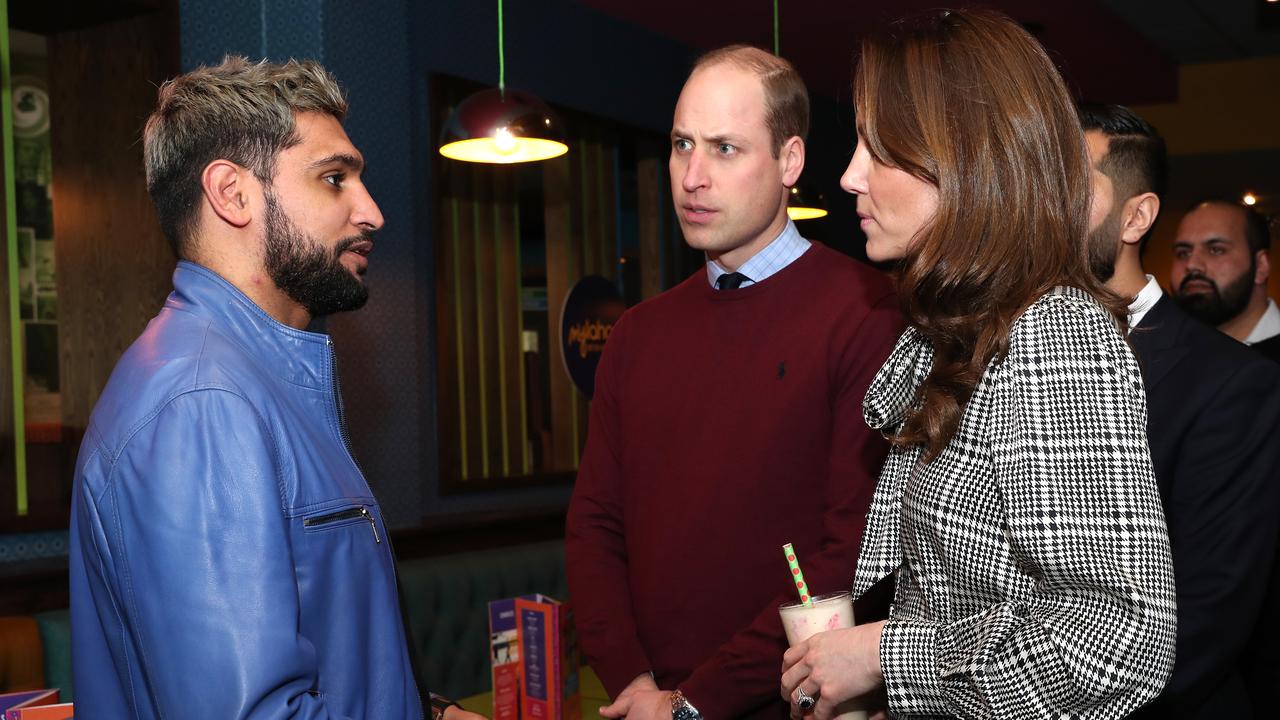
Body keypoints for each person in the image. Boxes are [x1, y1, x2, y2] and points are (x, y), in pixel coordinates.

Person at [780, 11, 1177, 719]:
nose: (848, 176)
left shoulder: (1054, 335)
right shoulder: (964, 329)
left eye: (879, 147)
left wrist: (885, 657)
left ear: (967, 159)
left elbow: (1121, 639)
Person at [67, 57, 479, 720]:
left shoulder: (248, 379)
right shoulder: (202, 405)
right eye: (334, 179)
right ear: (232, 194)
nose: (371, 212)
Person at [565, 45, 902, 720]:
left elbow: (855, 549)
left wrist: (698, 701)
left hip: (795, 702)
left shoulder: (868, 311)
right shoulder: (638, 334)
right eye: (682, 144)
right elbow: (596, 524)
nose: (692, 176)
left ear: (790, 162)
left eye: (724, 149)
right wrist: (632, 680)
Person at [1080, 103, 1280, 718]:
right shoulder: (1010, 356)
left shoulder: (1229, 382)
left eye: (1068, 188)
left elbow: (1205, 616)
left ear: (1135, 216)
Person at [1171, 199, 1279, 345]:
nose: (1192, 264)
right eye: (1183, 253)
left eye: (1215, 250)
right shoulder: (1160, 351)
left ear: (1261, 266)